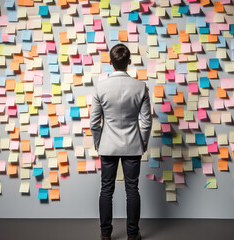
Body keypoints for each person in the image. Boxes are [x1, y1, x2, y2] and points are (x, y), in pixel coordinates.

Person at [90, 43, 152, 240]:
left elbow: (94, 122)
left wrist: (98, 144)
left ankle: (106, 234)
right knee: (132, 189)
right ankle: (133, 234)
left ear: (111, 63)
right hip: (133, 145)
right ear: (129, 62)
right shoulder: (140, 87)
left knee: (106, 189)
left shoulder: (100, 87)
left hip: (107, 145)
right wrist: (143, 143)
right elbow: (147, 121)